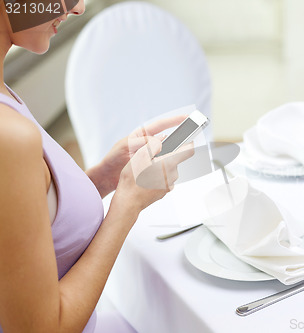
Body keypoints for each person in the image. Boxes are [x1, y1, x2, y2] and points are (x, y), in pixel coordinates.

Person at [0, 1, 193, 332]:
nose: (79, 7)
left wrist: (102, 178)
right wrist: (127, 206)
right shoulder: (9, 137)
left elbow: (24, 226)